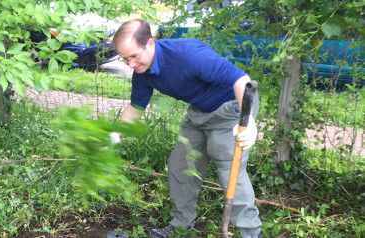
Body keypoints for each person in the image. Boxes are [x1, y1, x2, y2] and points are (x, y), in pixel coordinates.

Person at [110, 19, 262, 238]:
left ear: (150, 44)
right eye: (125, 59)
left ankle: (251, 233)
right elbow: (135, 107)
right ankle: (181, 226)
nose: (131, 64)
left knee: (231, 171)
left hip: (233, 108)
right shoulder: (142, 73)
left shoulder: (188, 54)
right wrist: (115, 134)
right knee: (181, 165)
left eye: (134, 56)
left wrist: (248, 124)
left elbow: (241, 81)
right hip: (199, 112)